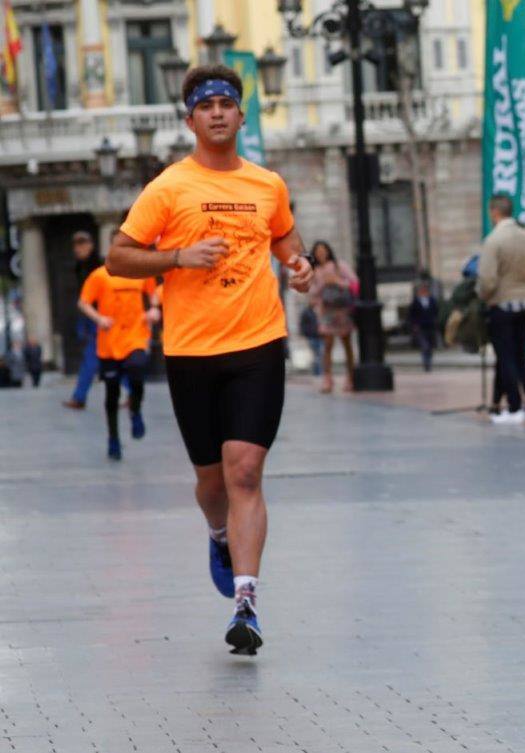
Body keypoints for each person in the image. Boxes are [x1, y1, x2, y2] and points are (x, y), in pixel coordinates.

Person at [106, 64, 314, 655]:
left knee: (244, 470)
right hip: (192, 351)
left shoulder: (267, 185)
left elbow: (286, 240)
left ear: (241, 115)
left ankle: (245, 602)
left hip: (258, 344)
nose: (218, 111)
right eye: (207, 104)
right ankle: (218, 533)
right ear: (190, 119)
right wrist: (178, 257)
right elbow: (119, 258)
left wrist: (298, 268)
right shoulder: (169, 188)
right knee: (210, 480)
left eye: (227, 102)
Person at [477, 194, 525, 424]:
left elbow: (487, 280)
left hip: (502, 305)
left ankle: (514, 406)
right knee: (521, 356)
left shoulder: (493, 240)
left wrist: (485, 296)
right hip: (524, 304)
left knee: (505, 357)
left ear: (494, 212)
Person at [78, 265, 159, 460]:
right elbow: (83, 302)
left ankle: (135, 410)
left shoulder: (141, 271)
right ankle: (113, 438)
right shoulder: (99, 275)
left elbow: (153, 292)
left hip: (136, 336)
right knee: (112, 392)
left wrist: (154, 309)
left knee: (137, 370)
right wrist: (99, 318)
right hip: (109, 342)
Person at [308, 240, 357, 393]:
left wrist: (337, 281)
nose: (321, 254)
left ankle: (351, 378)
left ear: (329, 251)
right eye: (318, 252)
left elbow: (354, 282)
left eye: (323, 251)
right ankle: (327, 379)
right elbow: (311, 293)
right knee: (327, 346)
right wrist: (323, 284)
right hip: (326, 312)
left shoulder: (339, 265)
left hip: (342, 310)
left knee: (347, 344)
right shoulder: (314, 271)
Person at [63, 231, 102, 410]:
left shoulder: (98, 265)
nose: (79, 248)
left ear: (90, 245)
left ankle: (79, 397)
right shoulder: (79, 266)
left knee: (92, 356)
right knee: (103, 357)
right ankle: (132, 391)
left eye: (83, 243)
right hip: (87, 315)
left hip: (99, 316)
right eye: (76, 244)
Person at [407, 280, 438, 372]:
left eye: (425, 289)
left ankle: (429, 362)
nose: (424, 291)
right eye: (422, 289)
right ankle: (426, 363)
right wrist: (414, 325)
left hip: (430, 326)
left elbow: (436, 311)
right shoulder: (415, 301)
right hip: (420, 327)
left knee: (430, 347)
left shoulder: (432, 300)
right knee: (425, 346)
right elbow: (411, 314)